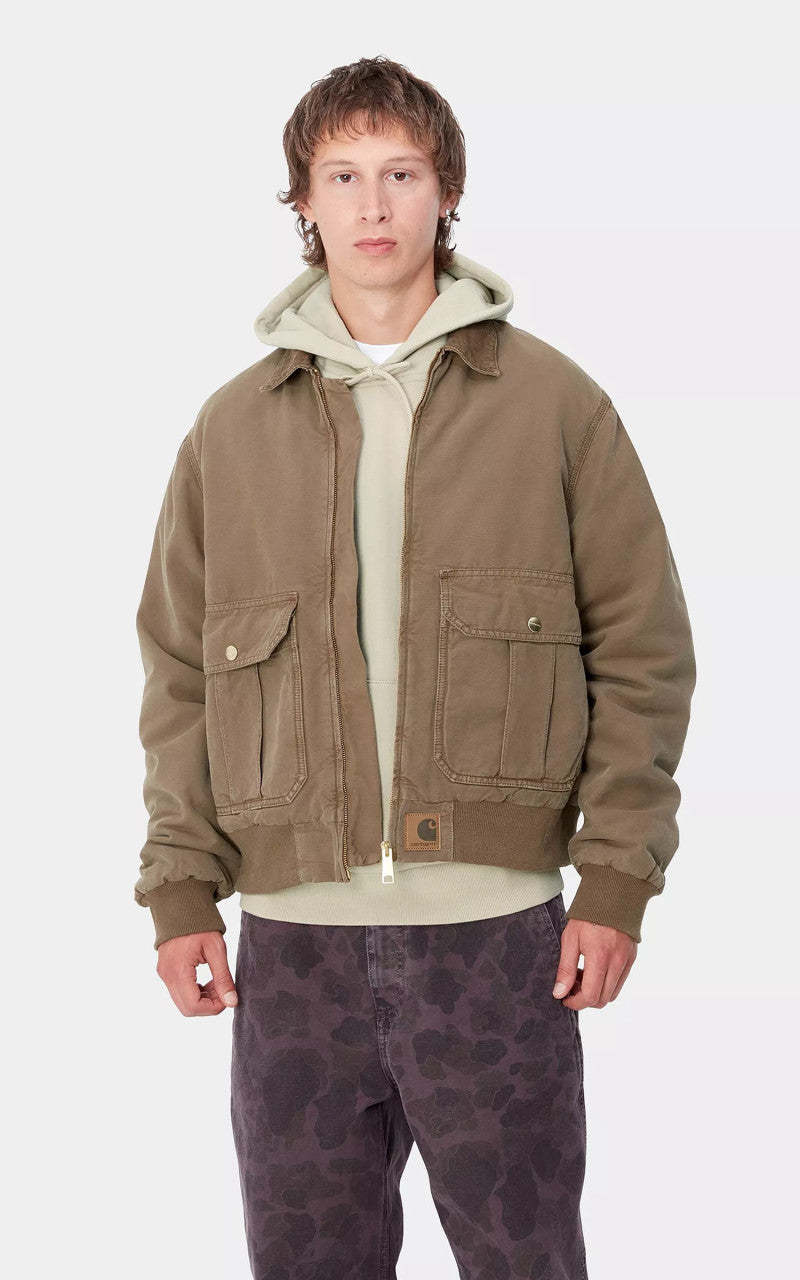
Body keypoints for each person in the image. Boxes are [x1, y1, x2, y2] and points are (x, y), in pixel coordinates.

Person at [133, 55, 696, 1280]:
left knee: (525, 1260)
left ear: (447, 192)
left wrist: (614, 876)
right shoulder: (232, 428)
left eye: (400, 172)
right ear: (302, 201)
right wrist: (181, 888)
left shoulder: (552, 404)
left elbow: (642, 646)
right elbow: (178, 673)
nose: (373, 204)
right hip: (294, 947)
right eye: (341, 176)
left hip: (495, 939)